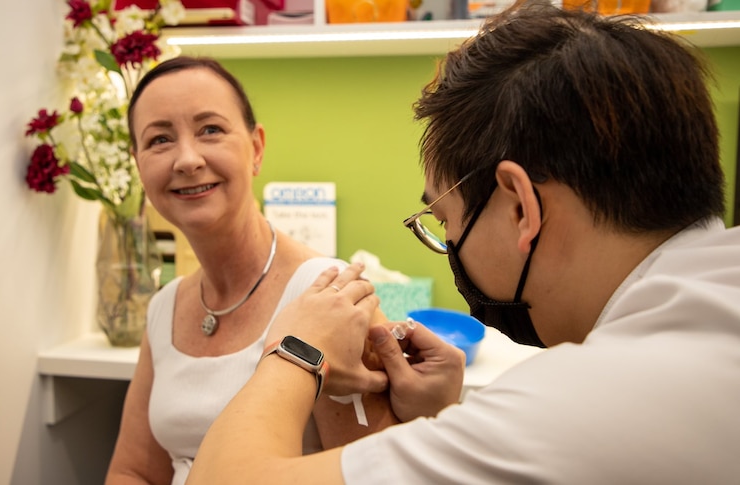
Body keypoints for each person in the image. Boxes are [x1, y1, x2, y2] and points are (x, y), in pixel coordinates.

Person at [185, 3, 740, 484]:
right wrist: (443, 421)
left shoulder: (583, 407)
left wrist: (295, 347)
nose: (449, 242)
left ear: (520, 205)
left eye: (445, 219)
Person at [105, 57, 399, 485]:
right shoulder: (164, 307)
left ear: (256, 148)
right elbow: (134, 471)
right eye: (159, 139)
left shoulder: (331, 296)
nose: (187, 159)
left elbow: (366, 477)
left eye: (210, 129)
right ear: (138, 164)